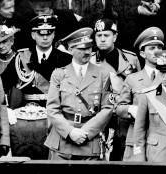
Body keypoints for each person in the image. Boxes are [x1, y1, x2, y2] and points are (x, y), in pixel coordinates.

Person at [44, 28, 114, 160]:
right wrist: (70, 132)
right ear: (70, 50)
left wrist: (85, 133)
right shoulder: (59, 74)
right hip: (62, 141)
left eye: (89, 47)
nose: (87, 52)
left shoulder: (103, 74)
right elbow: (52, 109)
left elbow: (107, 108)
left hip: (89, 141)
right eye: (82, 48)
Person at [8, 15, 71, 159]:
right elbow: (1, 83)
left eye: (49, 33)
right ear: (33, 35)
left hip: (56, 114)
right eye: (40, 34)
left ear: (54, 34)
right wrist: (6, 109)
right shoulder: (21, 58)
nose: (45, 37)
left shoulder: (66, 59)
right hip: (25, 118)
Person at [90, 18, 141, 160]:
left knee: (124, 154)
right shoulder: (90, 61)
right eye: (98, 36)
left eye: (106, 35)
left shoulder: (131, 59)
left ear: (115, 36)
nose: (102, 39)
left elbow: (138, 88)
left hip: (124, 117)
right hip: (101, 117)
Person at [116, 27, 164, 161]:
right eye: (152, 48)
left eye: (159, 48)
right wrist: (132, 109)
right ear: (142, 54)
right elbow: (119, 108)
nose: (157, 52)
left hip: (161, 139)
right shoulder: (132, 79)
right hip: (136, 139)